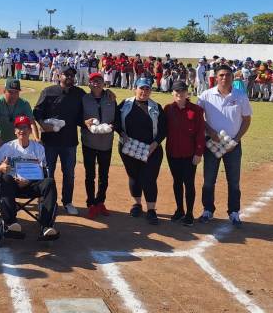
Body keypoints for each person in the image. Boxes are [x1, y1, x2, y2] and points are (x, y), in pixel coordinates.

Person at [0, 115, 60, 240]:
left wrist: (29, 180)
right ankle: (11, 224)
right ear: (15, 131)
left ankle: (46, 226)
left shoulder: (38, 148)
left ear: (30, 130)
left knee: (49, 182)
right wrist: (0, 168)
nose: (22, 130)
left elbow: (45, 170)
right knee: (5, 178)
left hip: (32, 185)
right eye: (19, 128)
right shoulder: (7, 147)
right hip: (12, 186)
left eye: (25, 127)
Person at [198, 64, 252, 227]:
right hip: (212, 143)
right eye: (221, 75)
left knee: (234, 181)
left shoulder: (240, 95)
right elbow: (199, 118)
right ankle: (208, 210)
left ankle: (234, 212)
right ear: (216, 76)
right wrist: (210, 131)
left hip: (233, 145)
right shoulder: (206, 95)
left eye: (227, 75)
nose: (224, 78)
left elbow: (247, 120)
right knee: (209, 180)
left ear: (232, 77)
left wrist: (236, 139)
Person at [33, 67, 85, 215]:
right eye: (66, 74)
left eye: (72, 75)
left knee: (69, 174)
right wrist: (43, 125)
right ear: (59, 75)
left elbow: (89, 107)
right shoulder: (48, 91)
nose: (69, 77)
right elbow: (37, 112)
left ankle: (67, 202)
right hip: (50, 141)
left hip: (70, 142)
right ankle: (47, 202)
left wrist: (107, 93)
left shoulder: (79, 93)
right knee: (48, 173)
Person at [117, 77, 167, 225]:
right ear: (135, 88)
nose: (144, 91)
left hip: (151, 149)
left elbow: (164, 129)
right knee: (134, 176)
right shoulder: (125, 104)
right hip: (129, 148)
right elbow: (115, 121)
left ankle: (151, 210)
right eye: (141, 88)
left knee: (149, 178)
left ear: (150, 90)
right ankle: (137, 204)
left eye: (147, 89)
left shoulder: (156, 107)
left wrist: (155, 144)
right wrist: (121, 133)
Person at [163, 81, 205, 226]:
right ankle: (180, 210)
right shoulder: (167, 109)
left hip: (189, 154)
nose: (180, 94)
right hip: (172, 152)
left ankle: (189, 213)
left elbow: (200, 133)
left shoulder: (197, 110)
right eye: (177, 92)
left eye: (182, 92)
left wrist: (199, 153)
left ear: (187, 93)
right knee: (177, 182)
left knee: (189, 183)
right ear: (172, 93)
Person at [81, 72, 117, 219]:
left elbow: (117, 117)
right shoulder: (84, 99)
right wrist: (84, 123)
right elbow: (78, 118)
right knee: (90, 175)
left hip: (106, 143)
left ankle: (100, 201)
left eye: (99, 81)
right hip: (89, 142)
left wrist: (113, 126)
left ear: (104, 83)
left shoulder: (110, 97)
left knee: (104, 176)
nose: (96, 83)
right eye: (93, 81)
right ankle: (91, 204)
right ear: (89, 84)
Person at [0, 78, 38, 152]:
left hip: (15, 144)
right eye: (10, 92)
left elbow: (31, 123)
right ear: (4, 91)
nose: (14, 95)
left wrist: (36, 138)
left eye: (16, 92)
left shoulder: (24, 104)